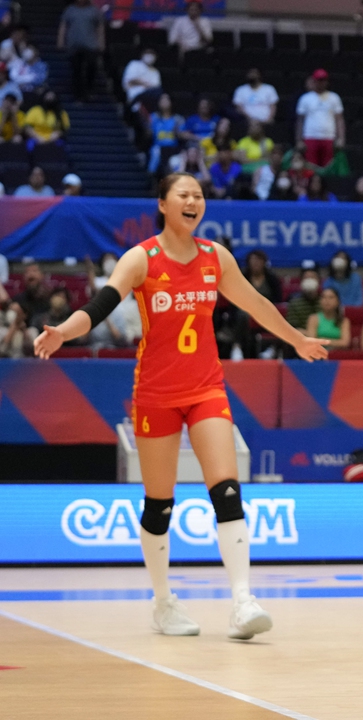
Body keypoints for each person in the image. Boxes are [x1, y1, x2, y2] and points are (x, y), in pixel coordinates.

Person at [33, 173, 328, 637]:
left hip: (207, 387)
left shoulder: (216, 257)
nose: (193, 201)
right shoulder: (142, 258)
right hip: (155, 394)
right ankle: (164, 602)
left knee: (227, 490)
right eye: (183, 195)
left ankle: (242, 600)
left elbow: (257, 303)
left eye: (199, 196)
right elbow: (100, 305)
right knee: (159, 505)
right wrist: (62, 333)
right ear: (163, 204)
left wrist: (297, 339)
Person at [295, 69, 344, 168]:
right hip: (310, 136)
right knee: (310, 167)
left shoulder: (334, 98)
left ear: (327, 82)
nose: (321, 83)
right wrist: (299, 140)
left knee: (328, 167)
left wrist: (341, 138)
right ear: (314, 81)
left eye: (323, 80)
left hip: (328, 137)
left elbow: (339, 120)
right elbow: (300, 121)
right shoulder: (305, 98)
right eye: (319, 80)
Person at [58, 0, 104, 101]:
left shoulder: (94, 10)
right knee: (76, 71)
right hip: (74, 46)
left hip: (91, 45)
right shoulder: (70, 10)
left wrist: (101, 43)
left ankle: (89, 90)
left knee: (92, 67)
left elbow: (99, 27)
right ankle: (78, 95)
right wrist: (60, 41)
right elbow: (63, 26)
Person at [147, 94, 185, 175]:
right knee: (155, 152)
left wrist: (177, 132)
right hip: (158, 147)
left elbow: (182, 135)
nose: (164, 102)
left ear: (171, 102)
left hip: (173, 148)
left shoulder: (178, 119)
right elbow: (149, 134)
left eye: (166, 100)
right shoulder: (153, 117)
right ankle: (151, 175)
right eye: (162, 100)